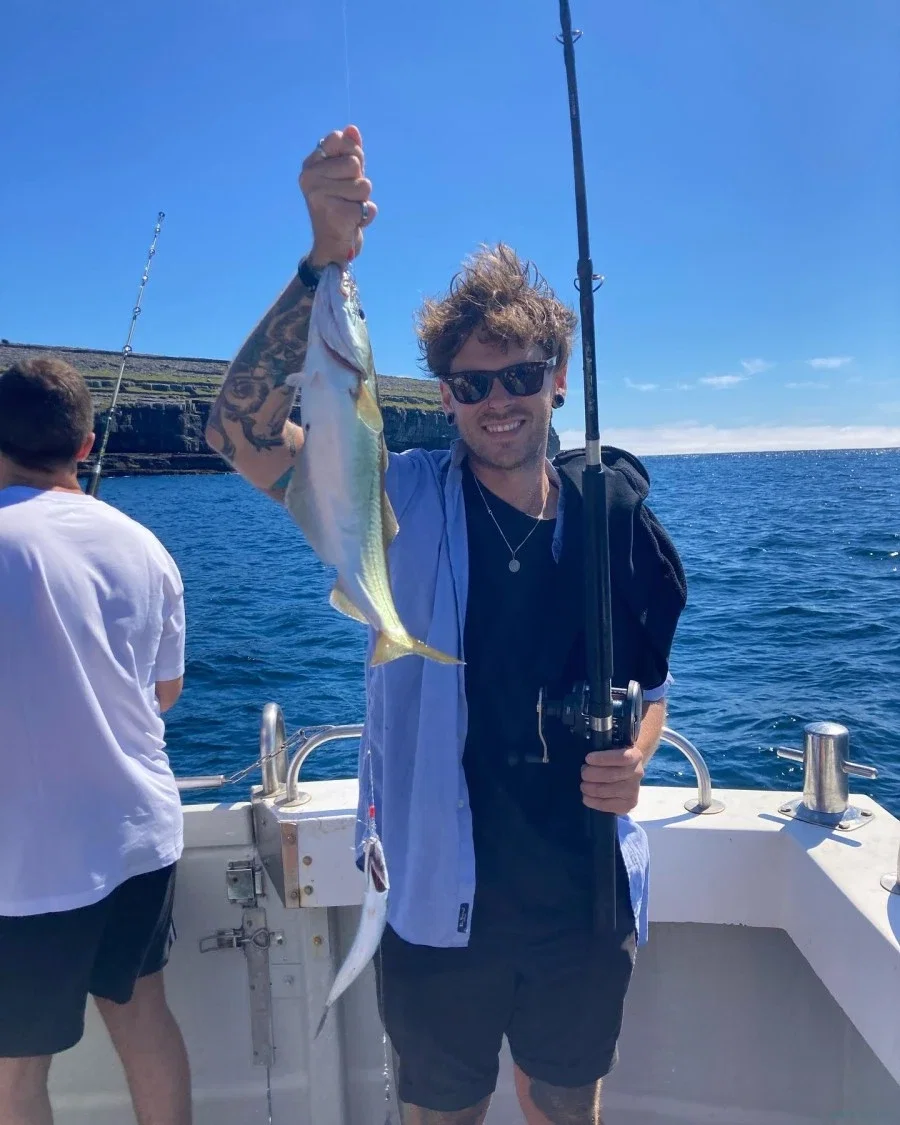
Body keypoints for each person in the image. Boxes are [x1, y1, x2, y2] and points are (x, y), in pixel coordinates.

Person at [206, 125, 687, 1125]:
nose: (497, 401)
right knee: (441, 1114)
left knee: (566, 1106)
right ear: (445, 397)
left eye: (521, 376)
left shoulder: (615, 519)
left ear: (558, 376)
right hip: (432, 896)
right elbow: (236, 431)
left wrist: (637, 757)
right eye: (472, 383)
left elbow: (650, 689)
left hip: (584, 895)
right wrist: (320, 266)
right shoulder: (397, 498)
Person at [0, 357, 192, 1125]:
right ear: (85, 445)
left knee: (16, 1071)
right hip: (137, 837)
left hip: (26, 859)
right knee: (144, 1019)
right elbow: (165, 693)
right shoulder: (146, 546)